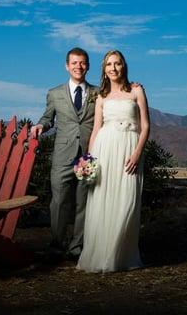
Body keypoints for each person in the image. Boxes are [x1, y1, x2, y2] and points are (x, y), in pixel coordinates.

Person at [77, 49, 150, 273]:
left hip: (129, 148)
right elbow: (97, 128)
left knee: (126, 201)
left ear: (123, 66)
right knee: (102, 200)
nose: (113, 68)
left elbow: (145, 125)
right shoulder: (101, 96)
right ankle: (101, 256)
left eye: (117, 64)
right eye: (109, 64)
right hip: (105, 148)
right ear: (104, 70)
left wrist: (137, 153)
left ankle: (121, 256)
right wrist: (87, 161)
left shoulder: (137, 90)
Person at [31, 47, 98, 259]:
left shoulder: (99, 93)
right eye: (74, 63)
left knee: (84, 202)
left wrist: (132, 86)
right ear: (67, 66)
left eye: (83, 62)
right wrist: (40, 126)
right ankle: (57, 245)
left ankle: (77, 247)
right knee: (59, 202)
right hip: (62, 155)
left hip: (88, 155)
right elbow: (47, 118)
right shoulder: (54, 93)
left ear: (88, 65)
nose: (79, 66)